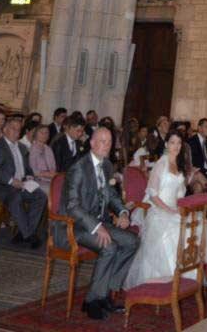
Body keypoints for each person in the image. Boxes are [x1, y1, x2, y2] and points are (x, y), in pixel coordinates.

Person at [124, 131, 207, 290]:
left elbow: (183, 186)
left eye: (179, 143)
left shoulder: (180, 164)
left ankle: (195, 275)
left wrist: (205, 186)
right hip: (160, 210)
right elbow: (153, 195)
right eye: (172, 142)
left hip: (177, 208)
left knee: (203, 227)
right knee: (176, 233)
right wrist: (170, 210)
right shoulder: (161, 164)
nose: (176, 146)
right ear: (166, 144)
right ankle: (177, 277)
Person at [61, 126, 138, 320]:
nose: (107, 146)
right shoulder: (78, 168)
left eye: (110, 142)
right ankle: (92, 301)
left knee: (132, 242)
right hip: (77, 226)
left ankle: (104, 293)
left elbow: (111, 195)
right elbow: (72, 206)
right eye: (103, 141)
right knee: (109, 247)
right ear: (92, 143)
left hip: (102, 222)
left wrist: (122, 212)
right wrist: (96, 227)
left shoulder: (106, 165)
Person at [0, 116, 47, 247]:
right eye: (13, 129)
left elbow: (27, 168)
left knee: (41, 196)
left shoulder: (22, 147)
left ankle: (23, 233)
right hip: (1, 187)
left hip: (21, 184)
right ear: (5, 129)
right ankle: (29, 235)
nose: (17, 132)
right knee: (15, 197)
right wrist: (12, 181)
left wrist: (29, 177)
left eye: (19, 130)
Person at [29, 124, 57, 194]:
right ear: (36, 134)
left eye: (46, 133)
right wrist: (47, 174)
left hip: (50, 179)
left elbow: (53, 167)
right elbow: (33, 171)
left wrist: (52, 174)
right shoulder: (32, 149)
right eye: (41, 132)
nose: (44, 135)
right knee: (53, 191)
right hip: (37, 180)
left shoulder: (48, 149)